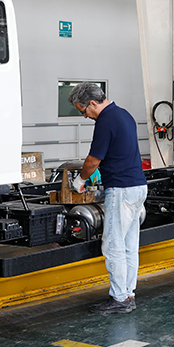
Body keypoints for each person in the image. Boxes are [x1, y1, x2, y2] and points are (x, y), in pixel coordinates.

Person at [67, 82, 148, 315]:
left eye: (83, 111)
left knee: (113, 245)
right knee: (129, 245)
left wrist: (79, 181)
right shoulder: (124, 114)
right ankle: (128, 293)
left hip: (121, 190)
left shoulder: (106, 120)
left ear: (92, 103)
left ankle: (120, 298)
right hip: (137, 186)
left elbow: (93, 160)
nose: (85, 116)